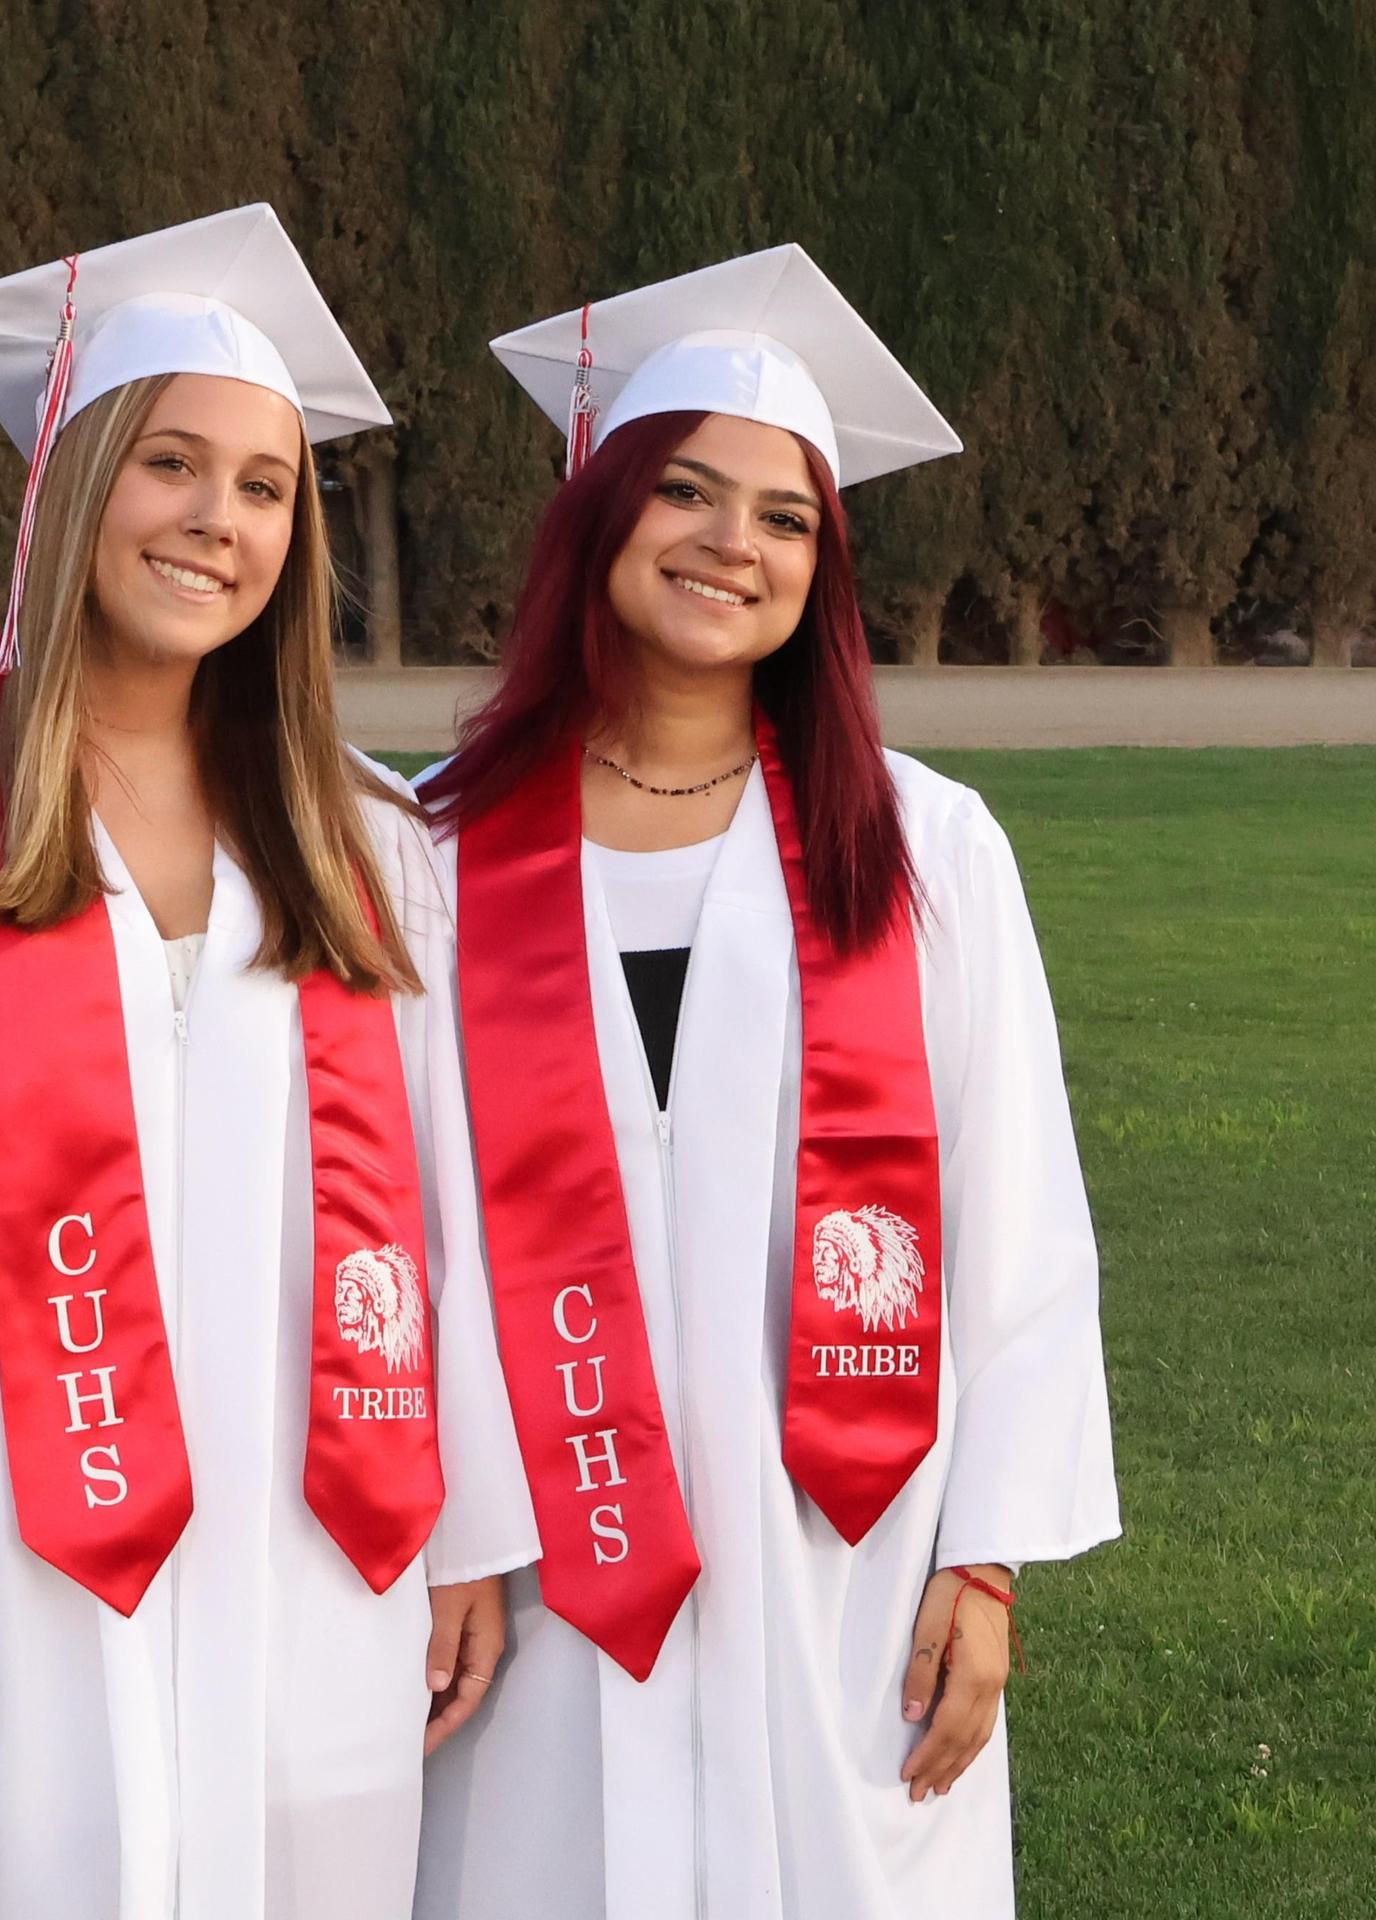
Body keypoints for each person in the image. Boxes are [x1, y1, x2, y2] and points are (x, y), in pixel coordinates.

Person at [0, 204, 536, 1920]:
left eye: (265, 486)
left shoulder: (364, 835)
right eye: (173, 465)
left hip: (310, 1539)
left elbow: (447, 1205)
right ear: (71, 482)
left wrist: (471, 1533)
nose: (218, 520)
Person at [414, 245, 1119, 1919]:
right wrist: (443, 1530)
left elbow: (1017, 1215)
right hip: (538, 1544)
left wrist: (991, 1559)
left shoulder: (925, 843)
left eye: (787, 517)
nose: (735, 543)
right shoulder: (427, 851)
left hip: (844, 1556)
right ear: (600, 522)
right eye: (686, 492)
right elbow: (389, 1213)